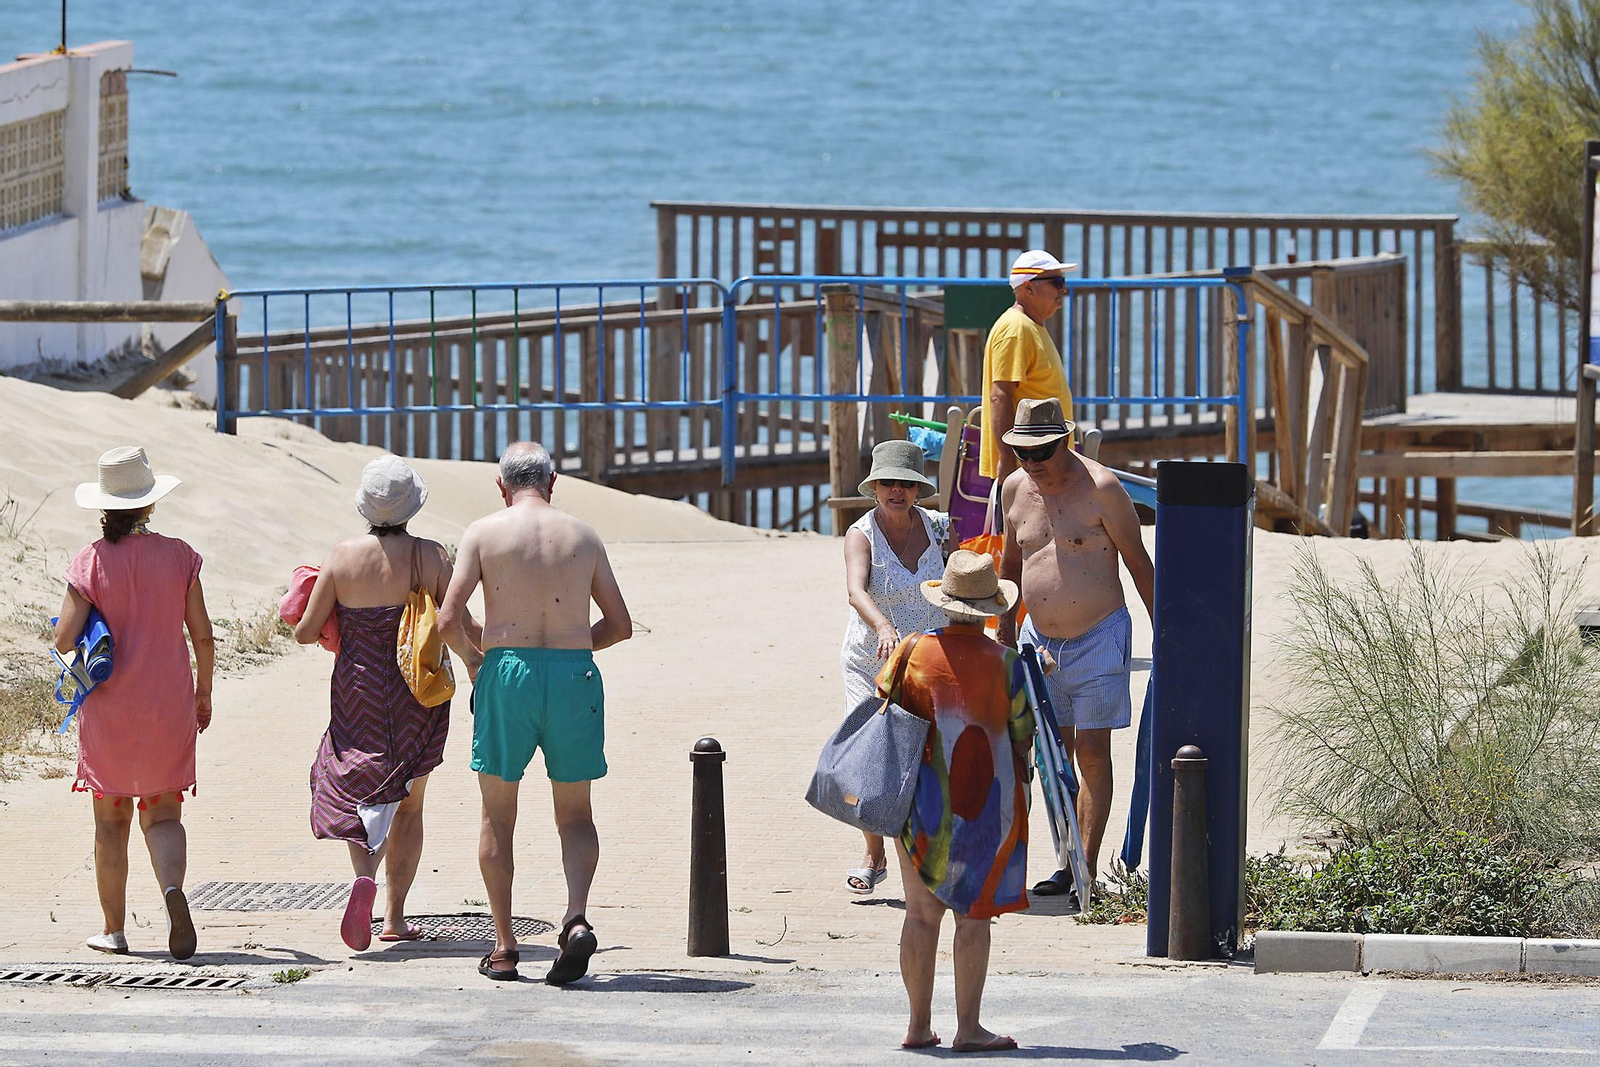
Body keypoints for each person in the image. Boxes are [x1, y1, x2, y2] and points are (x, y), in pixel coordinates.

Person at [438, 441, 633, 985]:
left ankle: (503, 947)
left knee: (498, 816)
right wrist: (573, 650)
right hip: (573, 675)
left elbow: (448, 620)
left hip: (507, 672)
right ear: (553, 482)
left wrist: (480, 663)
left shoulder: (484, 531)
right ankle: (574, 920)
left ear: (502, 487)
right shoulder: (583, 534)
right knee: (575, 814)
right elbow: (620, 624)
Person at [292, 454, 479, 951]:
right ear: (411, 507)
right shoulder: (432, 557)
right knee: (410, 806)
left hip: (357, 692)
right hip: (417, 692)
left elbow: (306, 632)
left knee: (353, 781)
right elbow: (458, 625)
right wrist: (484, 661)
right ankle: (394, 917)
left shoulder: (342, 557)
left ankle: (363, 876)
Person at [55, 446, 213, 960]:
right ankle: (172, 893)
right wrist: (204, 692)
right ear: (149, 505)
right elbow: (203, 635)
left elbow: (63, 639)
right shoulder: (180, 556)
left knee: (110, 822)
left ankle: (114, 930)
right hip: (169, 704)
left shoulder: (90, 560)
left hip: (110, 710)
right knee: (165, 816)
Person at [996, 398, 1154, 897]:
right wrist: (1002, 629)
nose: (1032, 462)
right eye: (1022, 453)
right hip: (1036, 643)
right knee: (1048, 754)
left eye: (1041, 450)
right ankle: (1064, 861)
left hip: (1100, 636)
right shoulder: (1015, 489)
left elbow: (1138, 563)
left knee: (1090, 751)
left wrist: (1166, 634)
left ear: (1064, 440)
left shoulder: (1103, 489)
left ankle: (1083, 869)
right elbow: (1008, 565)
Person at [880, 550, 1034, 1053]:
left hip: (917, 801)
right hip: (984, 806)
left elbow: (887, 701)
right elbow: (1022, 735)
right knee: (973, 918)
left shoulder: (910, 651)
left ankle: (918, 1026)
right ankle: (969, 1029)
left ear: (944, 603)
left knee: (920, 915)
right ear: (990, 608)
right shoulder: (1006, 664)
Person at [839, 439, 949, 896]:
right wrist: (884, 625)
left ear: (919, 489)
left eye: (906, 483)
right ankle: (873, 853)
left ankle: (924, 856)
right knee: (870, 761)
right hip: (872, 659)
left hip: (928, 660)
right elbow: (855, 590)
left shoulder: (941, 529)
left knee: (926, 760)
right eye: (888, 483)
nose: (896, 491)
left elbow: (958, 586)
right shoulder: (860, 533)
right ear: (875, 487)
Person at [979, 249, 1078, 504]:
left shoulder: (1031, 326)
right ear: (1028, 288)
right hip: (1031, 464)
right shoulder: (1016, 328)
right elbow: (1000, 396)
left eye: (1063, 282)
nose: (1063, 290)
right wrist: (1008, 460)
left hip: (1041, 464)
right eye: (1056, 282)